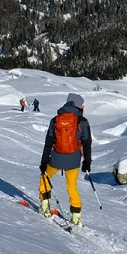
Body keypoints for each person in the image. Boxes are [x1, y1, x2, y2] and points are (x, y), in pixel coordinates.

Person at [39, 93, 92, 226]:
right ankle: (76, 217)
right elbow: (86, 143)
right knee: (72, 186)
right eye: (82, 104)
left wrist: (44, 161)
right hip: (73, 159)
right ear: (78, 105)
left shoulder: (56, 119)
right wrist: (87, 162)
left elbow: (49, 142)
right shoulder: (82, 121)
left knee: (45, 176)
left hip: (56, 157)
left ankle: (45, 207)